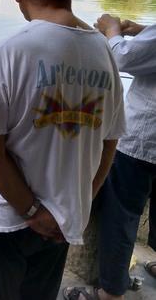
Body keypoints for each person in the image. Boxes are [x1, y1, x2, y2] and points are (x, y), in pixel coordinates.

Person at [0, 0, 126, 300]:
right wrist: (79, 201)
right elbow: (110, 142)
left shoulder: (8, 54)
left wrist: (33, 212)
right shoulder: (105, 54)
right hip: (62, 223)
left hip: (2, 221)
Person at [65, 16, 156, 300]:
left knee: (120, 214)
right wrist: (142, 31)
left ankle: (110, 292)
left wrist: (112, 30)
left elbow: (122, 58)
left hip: (144, 141)